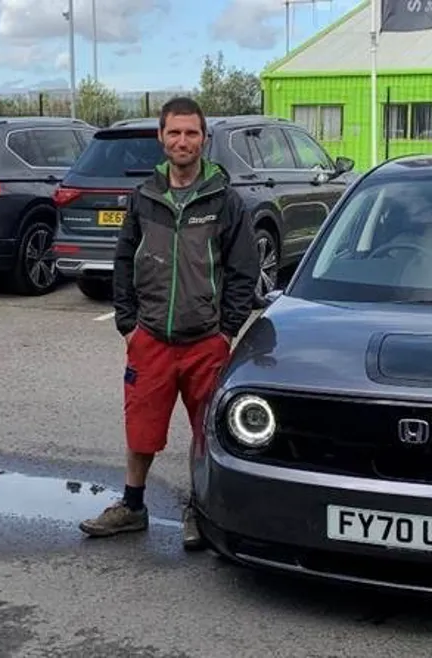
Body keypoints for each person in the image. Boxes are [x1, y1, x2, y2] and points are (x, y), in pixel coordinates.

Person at [79, 97, 260, 549]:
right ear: (161, 137)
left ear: (204, 139)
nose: (183, 141)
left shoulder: (225, 201)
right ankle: (132, 506)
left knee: (207, 433)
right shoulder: (144, 197)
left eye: (192, 133)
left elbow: (243, 270)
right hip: (152, 339)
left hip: (206, 343)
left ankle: (201, 512)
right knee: (141, 429)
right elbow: (123, 261)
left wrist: (226, 330)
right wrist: (128, 324)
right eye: (174, 133)